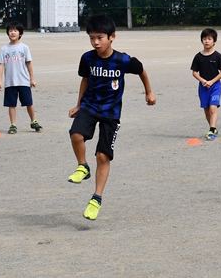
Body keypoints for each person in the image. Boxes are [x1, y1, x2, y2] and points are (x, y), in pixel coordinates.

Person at [67, 15, 156, 220]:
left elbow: (142, 70)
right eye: (91, 38)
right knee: (76, 135)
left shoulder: (123, 60)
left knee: (102, 156)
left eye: (99, 38)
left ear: (112, 37)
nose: (95, 42)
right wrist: (79, 104)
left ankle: (96, 199)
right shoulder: (87, 58)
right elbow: (85, 80)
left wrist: (149, 92)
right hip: (90, 105)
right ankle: (82, 166)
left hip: (111, 112)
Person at [0, 20, 42, 134]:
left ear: (20, 33)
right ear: (8, 32)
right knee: (11, 104)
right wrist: (0, 81)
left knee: (28, 102)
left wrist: (32, 78)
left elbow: (29, 64)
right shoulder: (4, 49)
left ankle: (33, 121)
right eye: (11, 30)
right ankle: (13, 124)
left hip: (23, 81)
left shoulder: (24, 48)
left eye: (15, 30)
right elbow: (1, 65)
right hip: (10, 82)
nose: (13, 33)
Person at [190, 28, 221, 141]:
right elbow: (194, 72)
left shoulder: (217, 56)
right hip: (203, 87)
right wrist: (202, 81)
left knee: (213, 107)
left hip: (215, 86)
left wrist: (212, 81)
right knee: (206, 109)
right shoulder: (198, 57)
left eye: (209, 39)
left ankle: (212, 129)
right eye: (204, 39)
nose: (207, 41)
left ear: (214, 41)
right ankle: (213, 127)